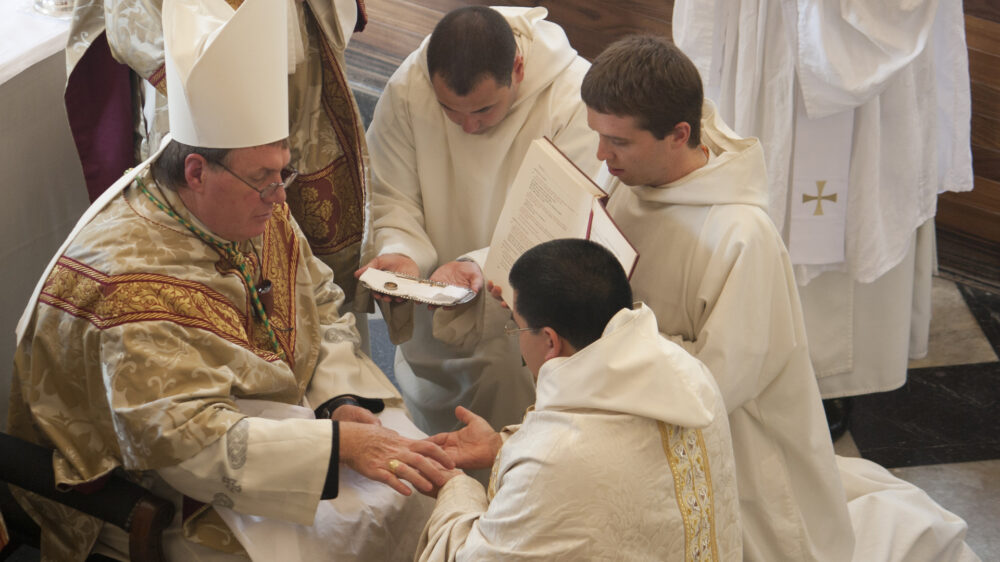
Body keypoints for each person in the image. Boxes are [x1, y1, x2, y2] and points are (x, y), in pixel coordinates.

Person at [7, 2, 451, 560]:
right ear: (195, 172)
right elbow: (185, 446)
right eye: (266, 178)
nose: (282, 197)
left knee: (414, 478)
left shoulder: (248, 196)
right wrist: (337, 447)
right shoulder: (127, 286)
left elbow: (319, 297)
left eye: (283, 169)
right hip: (141, 478)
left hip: (261, 413)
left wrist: (338, 400)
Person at [584, 35, 977, 562]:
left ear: (679, 134)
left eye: (618, 142)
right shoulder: (633, 178)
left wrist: (610, 354)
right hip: (640, 397)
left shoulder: (740, 235)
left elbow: (721, 380)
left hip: (731, 439)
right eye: (599, 138)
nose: (601, 156)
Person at [671, 0, 973, 422]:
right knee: (763, 159)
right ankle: (750, 362)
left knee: (861, 184)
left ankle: (833, 380)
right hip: (768, 25)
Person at [415, 239, 742, 561]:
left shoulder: (553, 460)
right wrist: (502, 446)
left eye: (516, 327)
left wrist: (456, 488)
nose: (517, 341)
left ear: (550, 341)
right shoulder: (693, 376)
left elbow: (471, 556)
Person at [359, 6, 600, 435]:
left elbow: (566, 221)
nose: (468, 127)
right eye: (450, 111)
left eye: (484, 110)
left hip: (514, 313)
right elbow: (391, 194)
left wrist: (478, 266)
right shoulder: (410, 87)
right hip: (434, 302)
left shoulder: (571, 98)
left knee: (515, 439)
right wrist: (401, 251)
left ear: (519, 68)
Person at [64, 0, 373, 324]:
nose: (278, 194)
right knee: (213, 191)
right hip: (192, 67)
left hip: (291, 55)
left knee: (279, 217)